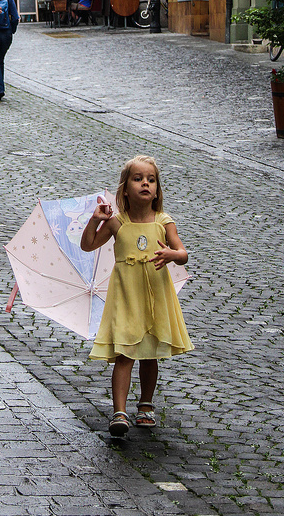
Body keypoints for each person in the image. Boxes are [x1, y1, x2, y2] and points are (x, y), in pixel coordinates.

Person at [80, 155, 193, 438]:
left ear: (157, 189)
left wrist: (171, 255)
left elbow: (183, 254)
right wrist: (95, 221)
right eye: (138, 179)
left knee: (150, 353)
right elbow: (88, 245)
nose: (145, 183)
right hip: (126, 297)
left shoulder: (164, 222)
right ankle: (119, 411)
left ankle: (145, 404)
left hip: (154, 294)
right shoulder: (117, 222)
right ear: (125, 189)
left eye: (151, 180)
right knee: (125, 353)